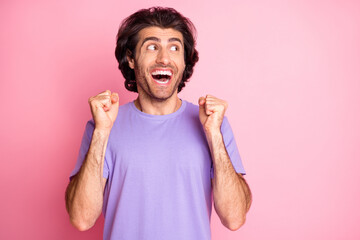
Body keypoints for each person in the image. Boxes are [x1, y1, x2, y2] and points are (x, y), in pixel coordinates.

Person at [65, 6, 252, 240]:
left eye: (174, 48)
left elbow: (234, 218)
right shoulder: (103, 124)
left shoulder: (214, 124)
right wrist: (102, 132)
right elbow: (81, 219)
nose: (164, 58)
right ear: (131, 59)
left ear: (184, 62)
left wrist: (214, 134)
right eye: (152, 47)